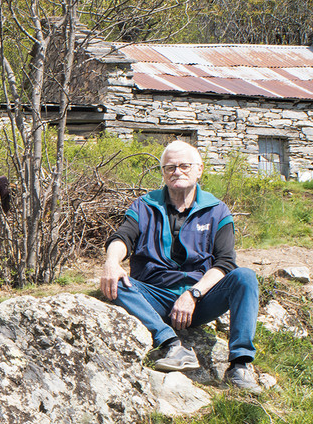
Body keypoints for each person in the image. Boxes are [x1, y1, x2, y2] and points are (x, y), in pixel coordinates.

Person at [101, 140, 261, 392]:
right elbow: (123, 237)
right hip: (153, 296)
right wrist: (112, 262)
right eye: (170, 167)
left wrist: (193, 294)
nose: (177, 172)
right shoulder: (144, 205)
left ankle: (239, 365)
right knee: (116, 282)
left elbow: (225, 262)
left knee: (245, 277)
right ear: (163, 172)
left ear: (199, 169)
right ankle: (171, 344)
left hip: (200, 300)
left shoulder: (217, 210)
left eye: (184, 166)